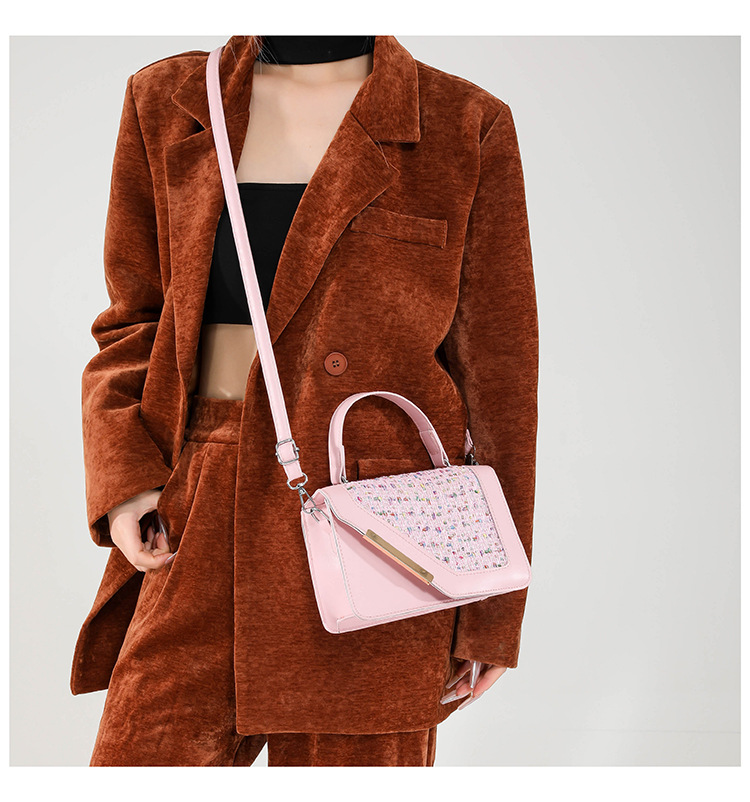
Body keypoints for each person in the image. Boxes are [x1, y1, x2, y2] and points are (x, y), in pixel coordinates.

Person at [70, 34, 539, 767]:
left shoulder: (461, 122)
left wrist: (492, 609)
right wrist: (126, 480)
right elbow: (135, 319)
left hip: (378, 532)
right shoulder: (169, 101)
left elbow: (502, 380)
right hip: (196, 510)